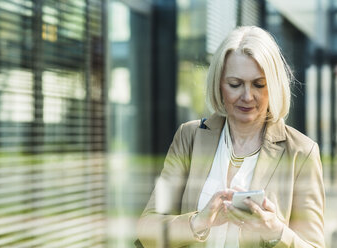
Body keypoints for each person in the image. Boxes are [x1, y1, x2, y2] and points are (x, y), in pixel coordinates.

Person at [137, 26, 325, 248]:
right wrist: (199, 222)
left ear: (273, 86)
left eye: (258, 84)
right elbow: (147, 228)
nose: (247, 96)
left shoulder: (301, 153)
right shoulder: (189, 137)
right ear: (219, 84)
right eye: (235, 84)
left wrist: (275, 232)